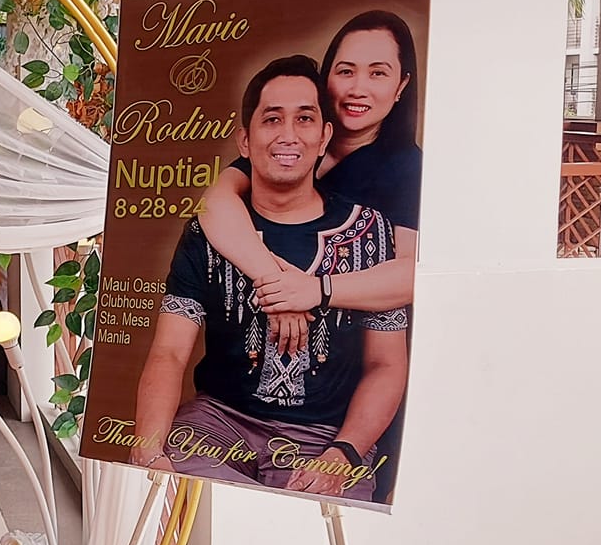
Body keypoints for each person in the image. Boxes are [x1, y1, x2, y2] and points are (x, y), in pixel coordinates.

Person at [132, 56, 409, 502]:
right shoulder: (209, 231)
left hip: (325, 437)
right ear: (245, 140)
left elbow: (387, 364)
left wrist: (344, 453)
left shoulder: (370, 232)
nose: (288, 135)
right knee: (174, 494)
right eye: (272, 119)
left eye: (305, 119)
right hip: (218, 426)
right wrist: (148, 450)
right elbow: (169, 352)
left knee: (310, 531)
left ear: (325, 137)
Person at [196, 11, 422, 357]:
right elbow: (215, 203)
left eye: (378, 73)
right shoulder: (288, 146)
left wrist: (315, 290)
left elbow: (411, 274)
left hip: (355, 354)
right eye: (345, 71)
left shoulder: (406, 166)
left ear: (401, 86)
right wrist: (278, 287)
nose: (357, 89)